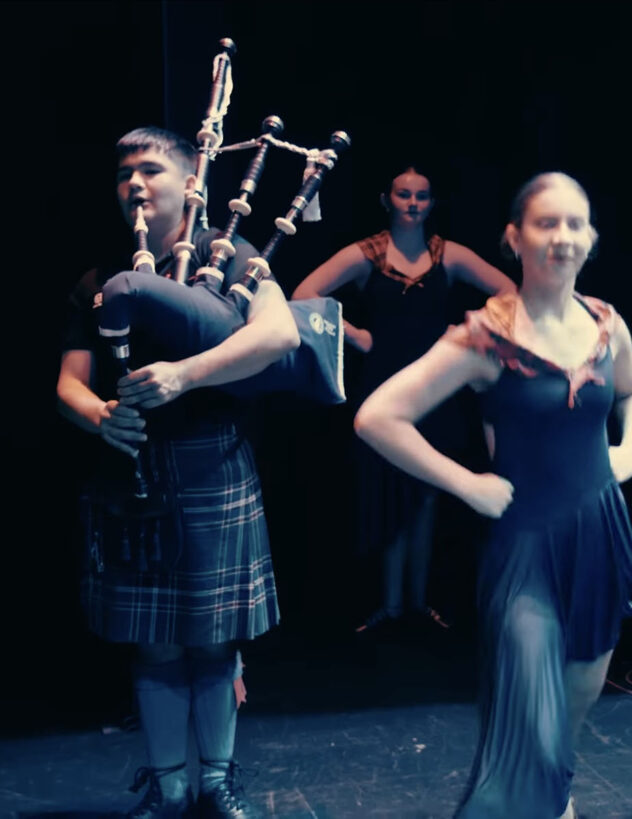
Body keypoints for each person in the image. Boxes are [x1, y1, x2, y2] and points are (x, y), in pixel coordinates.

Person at [354, 172, 632, 818]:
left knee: (571, 710)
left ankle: (555, 801)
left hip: (599, 537)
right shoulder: (484, 337)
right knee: (529, 723)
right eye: (547, 223)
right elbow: (378, 417)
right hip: (525, 552)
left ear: (591, 238)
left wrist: (631, 450)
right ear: (515, 238)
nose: (563, 236)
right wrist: (466, 484)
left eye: (575, 223)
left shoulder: (606, 324)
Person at [56, 127, 298, 819]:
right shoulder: (99, 279)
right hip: (133, 471)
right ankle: (168, 788)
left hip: (212, 462)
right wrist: (101, 416)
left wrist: (185, 375)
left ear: (192, 182)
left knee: (214, 643)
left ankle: (216, 783)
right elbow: (69, 384)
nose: (134, 183)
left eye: (150, 169)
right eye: (123, 172)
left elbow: (279, 336)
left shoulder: (234, 258)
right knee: (155, 644)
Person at [293, 165, 515, 634]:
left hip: (436, 388)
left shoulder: (447, 254)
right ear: (386, 200)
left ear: (432, 203)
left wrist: (473, 328)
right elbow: (303, 295)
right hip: (384, 386)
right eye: (404, 194)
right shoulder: (367, 254)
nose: (413, 203)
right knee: (390, 492)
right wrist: (353, 335)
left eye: (421, 196)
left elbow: (508, 291)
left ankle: (418, 602)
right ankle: (391, 605)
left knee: (428, 494)